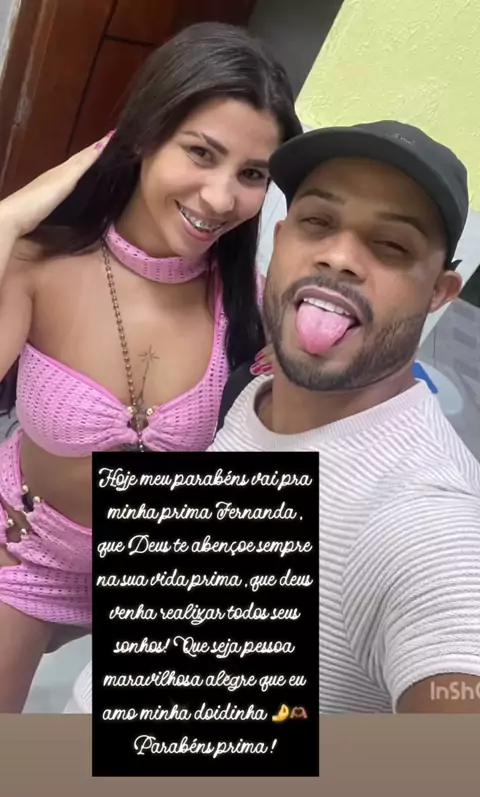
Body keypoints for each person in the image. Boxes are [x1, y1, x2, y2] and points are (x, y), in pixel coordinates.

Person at [67, 120, 480, 716]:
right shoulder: (255, 394)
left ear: (439, 292)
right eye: (317, 222)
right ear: (281, 239)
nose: (339, 256)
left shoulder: (427, 520)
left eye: (391, 246)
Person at [0, 21, 302, 712]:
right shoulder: (39, 266)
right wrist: (7, 221)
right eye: (201, 152)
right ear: (143, 135)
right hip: (28, 548)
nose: (221, 198)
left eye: (252, 175)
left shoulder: (248, 303)